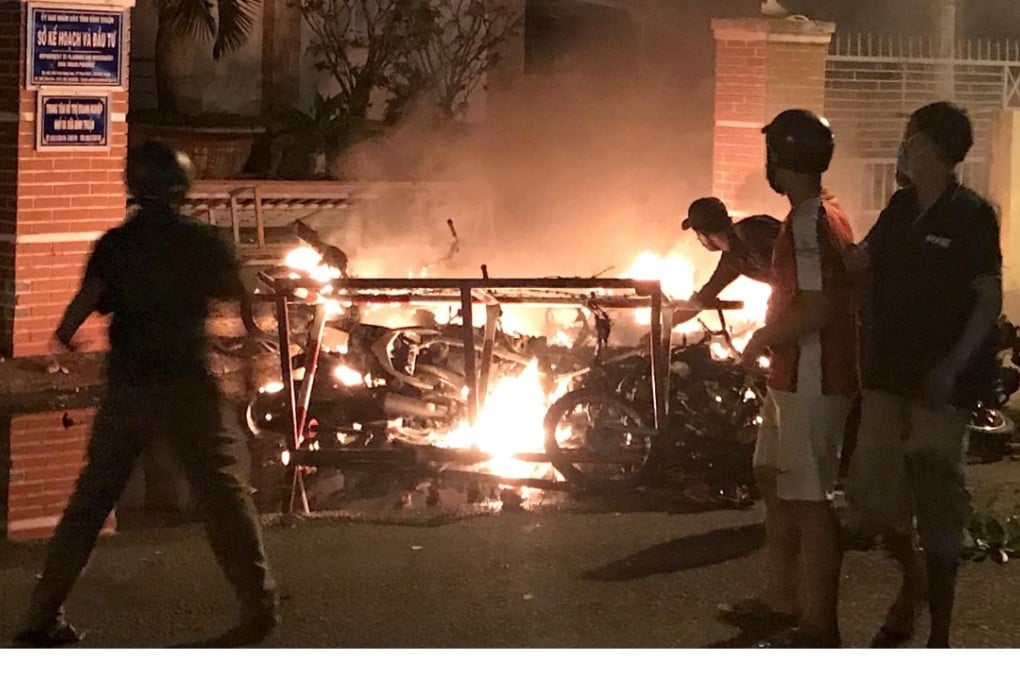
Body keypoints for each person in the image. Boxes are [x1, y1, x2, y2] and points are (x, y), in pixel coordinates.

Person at [13, 141, 279, 648]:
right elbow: (245, 306)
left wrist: (84, 337)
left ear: (133, 185)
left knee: (91, 502)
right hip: (187, 384)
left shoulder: (115, 245)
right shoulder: (205, 243)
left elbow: (72, 320)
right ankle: (259, 609)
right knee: (223, 495)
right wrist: (240, 336)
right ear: (183, 186)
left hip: (129, 388)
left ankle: (40, 617)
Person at [843, 101, 1001, 648]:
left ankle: (940, 637)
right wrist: (857, 270)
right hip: (887, 379)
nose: (902, 147)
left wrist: (953, 367)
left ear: (934, 147)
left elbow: (987, 300)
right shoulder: (899, 207)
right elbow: (868, 272)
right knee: (879, 507)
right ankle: (911, 589)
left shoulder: (972, 215)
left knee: (938, 510)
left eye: (910, 138)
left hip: (940, 389)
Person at [729, 109, 858, 648]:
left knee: (809, 501)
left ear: (778, 159)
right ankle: (781, 599)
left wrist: (764, 338)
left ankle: (819, 626)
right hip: (794, 378)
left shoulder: (808, 220)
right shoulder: (822, 213)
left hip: (814, 378)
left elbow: (820, 305)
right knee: (772, 479)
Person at [672, 197, 780, 326]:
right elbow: (705, 296)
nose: (698, 239)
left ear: (704, 234)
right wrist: (668, 323)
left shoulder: (752, 230)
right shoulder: (731, 260)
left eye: (697, 234)